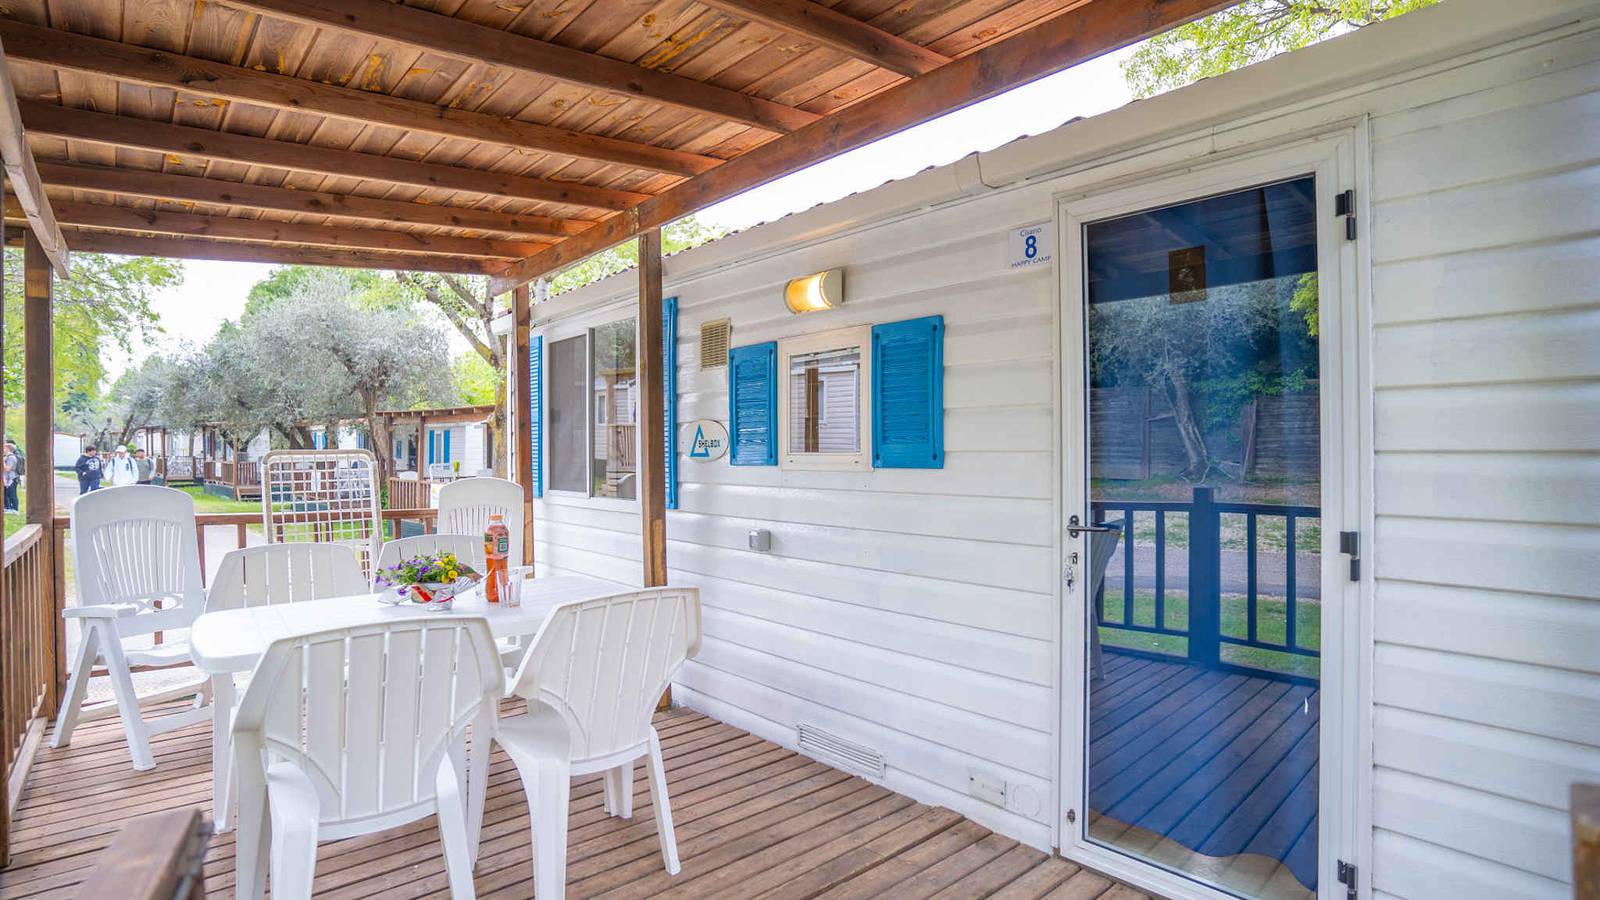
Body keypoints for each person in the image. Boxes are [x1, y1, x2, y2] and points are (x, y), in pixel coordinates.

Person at [2, 441, 18, 512]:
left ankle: (14, 509)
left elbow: (8, 468)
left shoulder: (11, 458)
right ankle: (7, 508)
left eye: (4, 448)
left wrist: (2, 462)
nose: (3, 450)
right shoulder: (6, 457)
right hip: (6, 479)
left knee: (12, 494)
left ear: (8, 449)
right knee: (6, 494)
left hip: (11, 478)